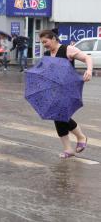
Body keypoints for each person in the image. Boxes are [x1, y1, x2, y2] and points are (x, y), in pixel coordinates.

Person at [39, 29, 93, 158]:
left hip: (68, 87)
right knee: (57, 116)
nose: (44, 45)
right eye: (42, 43)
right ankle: (68, 148)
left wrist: (89, 70)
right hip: (53, 89)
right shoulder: (47, 54)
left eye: (45, 41)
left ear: (53, 38)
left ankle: (80, 137)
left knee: (61, 114)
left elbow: (87, 58)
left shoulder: (67, 49)